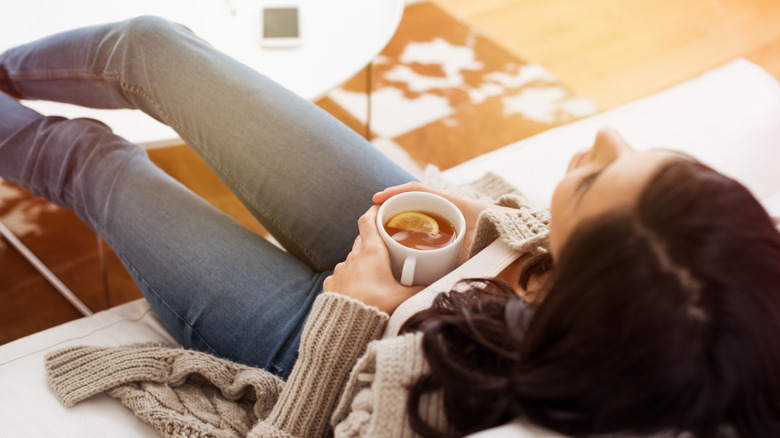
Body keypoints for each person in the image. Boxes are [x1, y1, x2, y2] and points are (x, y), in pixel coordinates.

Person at [2, 16, 779, 438]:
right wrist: (505, 239)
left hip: (327, 346)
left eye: (595, 177)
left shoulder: (459, 414)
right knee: (154, 47)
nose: (608, 139)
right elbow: (562, 251)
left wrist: (352, 313)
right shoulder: (704, 309)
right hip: (443, 269)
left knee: (89, 160)